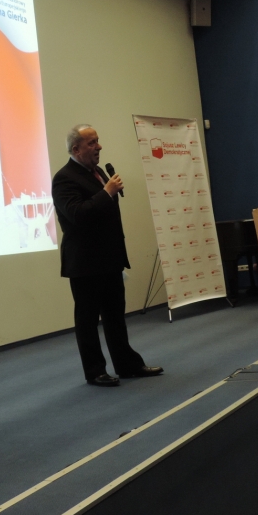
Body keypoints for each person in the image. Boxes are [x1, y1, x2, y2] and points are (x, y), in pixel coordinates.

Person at [51, 125, 162, 386]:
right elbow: (77, 214)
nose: (99, 147)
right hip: (84, 263)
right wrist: (106, 192)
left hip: (110, 259)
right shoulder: (64, 178)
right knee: (88, 320)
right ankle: (95, 371)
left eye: (98, 141)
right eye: (91, 143)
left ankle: (127, 364)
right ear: (76, 149)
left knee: (115, 317)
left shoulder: (98, 172)